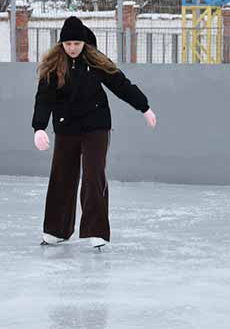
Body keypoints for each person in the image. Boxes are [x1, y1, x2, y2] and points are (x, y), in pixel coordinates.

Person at [32, 16, 157, 249]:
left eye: (76, 44)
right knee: (62, 176)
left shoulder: (95, 60)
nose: (72, 48)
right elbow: (44, 97)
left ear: (84, 43)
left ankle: (96, 231)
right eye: (68, 44)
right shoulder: (54, 66)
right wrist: (39, 127)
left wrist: (144, 107)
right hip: (66, 127)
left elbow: (120, 84)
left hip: (96, 126)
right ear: (61, 44)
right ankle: (57, 230)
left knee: (93, 174)